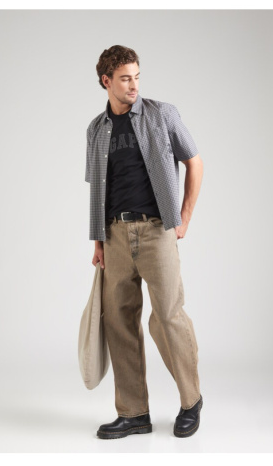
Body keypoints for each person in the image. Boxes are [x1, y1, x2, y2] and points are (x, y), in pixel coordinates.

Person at [85, 45, 204, 439]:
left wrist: (183, 217)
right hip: (115, 235)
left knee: (168, 316)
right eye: (125, 78)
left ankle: (191, 401)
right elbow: (98, 188)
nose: (133, 84)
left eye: (136, 76)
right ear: (106, 81)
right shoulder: (96, 130)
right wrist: (98, 240)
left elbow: (195, 162)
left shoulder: (162, 114)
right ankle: (134, 413)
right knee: (119, 321)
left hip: (156, 230)